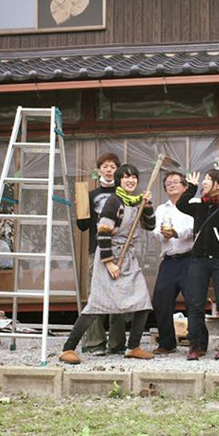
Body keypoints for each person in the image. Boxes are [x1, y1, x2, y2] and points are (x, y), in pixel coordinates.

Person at [60, 164, 156, 364]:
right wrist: (110, 263)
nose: (131, 181)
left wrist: (147, 205)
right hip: (110, 256)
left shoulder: (137, 201)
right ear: (120, 181)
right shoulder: (114, 201)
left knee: (143, 302)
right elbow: (102, 232)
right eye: (126, 177)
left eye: (134, 178)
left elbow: (151, 225)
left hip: (128, 257)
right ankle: (67, 348)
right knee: (97, 304)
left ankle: (133, 347)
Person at [177, 168, 219, 360]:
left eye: (208, 179)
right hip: (198, 260)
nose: (204, 182)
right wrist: (191, 187)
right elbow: (181, 204)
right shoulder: (199, 205)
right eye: (204, 179)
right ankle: (194, 346)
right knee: (195, 304)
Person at [74, 152, 128, 355]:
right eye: (104, 166)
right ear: (98, 171)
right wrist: (79, 207)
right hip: (95, 250)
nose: (108, 170)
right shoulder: (91, 194)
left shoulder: (124, 194)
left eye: (112, 166)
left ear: (118, 171)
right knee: (95, 296)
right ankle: (95, 342)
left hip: (119, 251)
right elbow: (82, 226)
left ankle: (117, 343)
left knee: (118, 295)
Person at [149, 171, 196, 355]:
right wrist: (164, 234)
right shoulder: (162, 209)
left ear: (185, 186)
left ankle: (197, 342)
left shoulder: (194, 203)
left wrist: (178, 233)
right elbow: (155, 231)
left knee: (193, 301)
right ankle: (167, 342)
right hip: (169, 260)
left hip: (190, 258)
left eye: (176, 182)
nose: (172, 185)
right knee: (161, 300)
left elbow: (195, 227)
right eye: (168, 183)